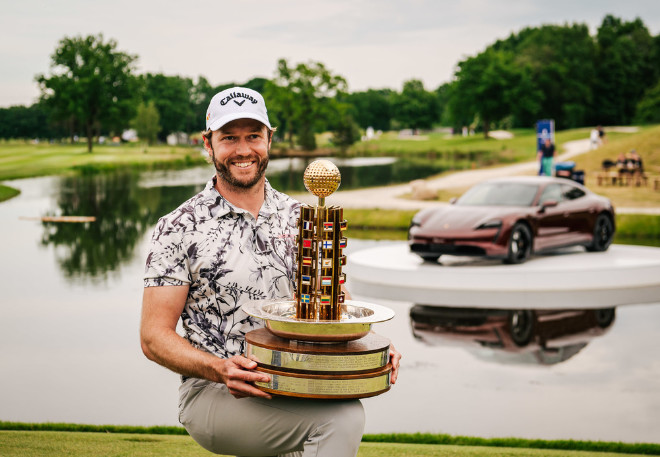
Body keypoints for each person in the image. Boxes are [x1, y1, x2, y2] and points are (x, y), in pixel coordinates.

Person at [140, 86, 401, 457]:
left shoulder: (300, 217)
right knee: (341, 419)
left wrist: (371, 347)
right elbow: (153, 336)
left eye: (253, 136)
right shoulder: (179, 226)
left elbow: (330, 304)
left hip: (298, 380)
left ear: (269, 140)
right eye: (229, 137)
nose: (243, 149)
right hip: (215, 391)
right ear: (208, 143)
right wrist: (219, 369)